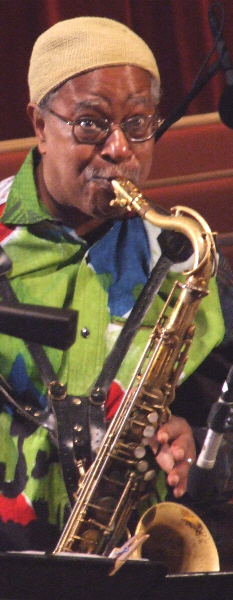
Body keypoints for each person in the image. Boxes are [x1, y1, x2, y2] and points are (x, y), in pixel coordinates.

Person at [0, 16, 225, 553]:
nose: (120, 149)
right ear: (38, 124)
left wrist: (196, 440)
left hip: (128, 558)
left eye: (139, 124)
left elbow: (219, 411)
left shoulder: (184, 256)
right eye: (91, 124)